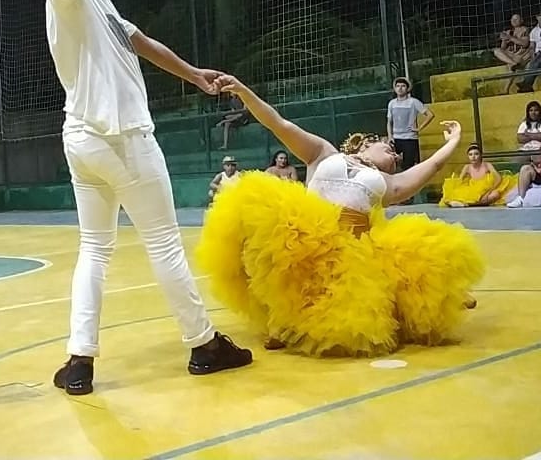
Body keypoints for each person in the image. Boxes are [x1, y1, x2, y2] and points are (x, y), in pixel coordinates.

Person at [3, 0, 252, 395]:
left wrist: (194, 75)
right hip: (122, 138)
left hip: (82, 140)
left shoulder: (98, 0)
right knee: (162, 242)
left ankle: (79, 361)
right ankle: (204, 345)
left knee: (94, 249)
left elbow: (142, 42)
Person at [196, 73, 485, 358]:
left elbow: (432, 166)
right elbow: (278, 123)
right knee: (254, 201)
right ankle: (280, 317)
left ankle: (440, 298)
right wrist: (243, 90)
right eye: (389, 147)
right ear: (363, 143)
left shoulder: (388, 182)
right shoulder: (323, 152)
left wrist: (454, 141)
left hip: (351, 253)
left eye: (396, 157)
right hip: (304, 241)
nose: (395, 154)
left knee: (422, 249)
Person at [440, 143, 516, 207]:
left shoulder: (487, 165)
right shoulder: (467, 167)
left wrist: (488, 192)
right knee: (457, 194)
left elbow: (498, 178)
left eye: (476, 154)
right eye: (470, 154)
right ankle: (468, 203)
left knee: (495, 195)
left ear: (480, 155)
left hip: (487, 188)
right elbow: (459, 181)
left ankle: (467, 204)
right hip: (474, 190)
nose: (473, 157)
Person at [386, 77, 434, 172]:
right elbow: (389, 122)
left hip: (410, 139)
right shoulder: (391, 103)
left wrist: (419, 128)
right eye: (398, 86)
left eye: (403, 86)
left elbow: (430, 115)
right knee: (391, 165)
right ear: (394, 88)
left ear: (407, 88)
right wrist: (390, 136)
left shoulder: (414, 102)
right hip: (395, 139)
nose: (400, 88)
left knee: (408, 167)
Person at [493, 13, 531, 93]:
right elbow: (503, 48)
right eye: (512, 19)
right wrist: (504, 39)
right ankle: (513, 63)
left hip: (521, 56)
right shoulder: (509, 31)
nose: (514, 21)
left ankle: (505, 90)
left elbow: (525, 43)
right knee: (497, 51)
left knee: (511, 66)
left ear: (521, 20)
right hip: (511, 56)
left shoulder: (525, 29)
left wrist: (510, 38)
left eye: (516, 19)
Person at [515, 11, 541, 92]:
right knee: (535, 61)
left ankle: (526, 84)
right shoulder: (534, 31)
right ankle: (527, 85)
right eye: (540, 16)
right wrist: (533, 57)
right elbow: (532, 47)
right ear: (537, 17)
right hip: (538, 55)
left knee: (536, 61)